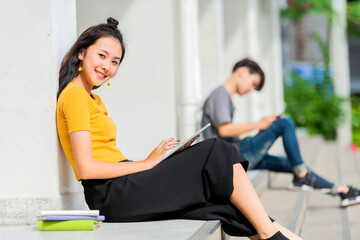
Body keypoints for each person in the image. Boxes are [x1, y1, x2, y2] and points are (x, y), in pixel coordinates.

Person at [55, 18, 302, 240]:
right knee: (217, 150)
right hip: (111, 195)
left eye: (114, 61)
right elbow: (86, 168)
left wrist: (154, 163)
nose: (107, 67)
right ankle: (269, 233)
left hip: (122, 184)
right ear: (81, 52)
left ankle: (280, 235)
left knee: (226, 204)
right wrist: (147, 164)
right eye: (102, 56)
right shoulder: (75, 97)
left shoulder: (92, 99)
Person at [201, 58, 360, 208]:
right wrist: (258, 124)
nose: (251, 89)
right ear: (242, 72)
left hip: (236, 154)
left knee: (294, 164)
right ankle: (303, 176)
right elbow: (224, 129)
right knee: (284, 123)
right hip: (231, 156)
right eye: (253, 83)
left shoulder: (224, 97)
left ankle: (341, 190)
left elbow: (224, 134)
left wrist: (259, 128)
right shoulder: (220, 94)